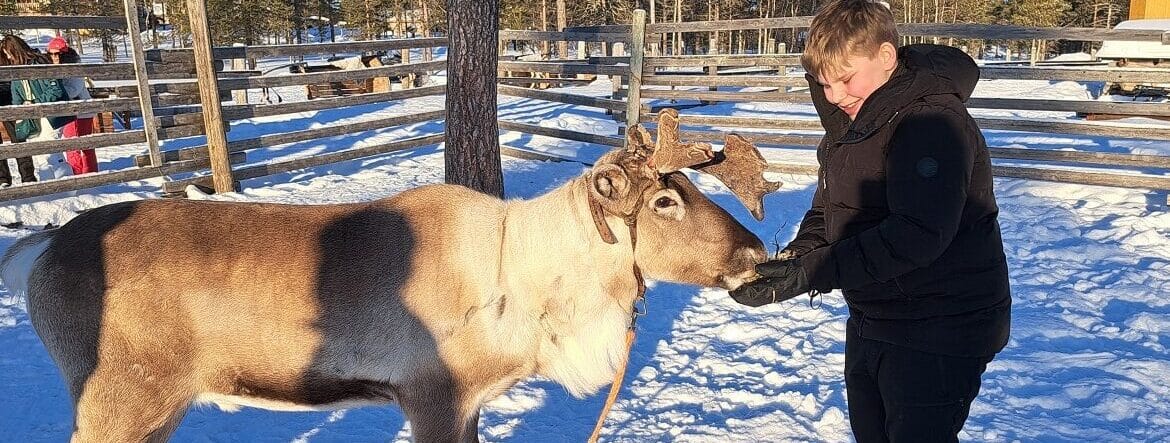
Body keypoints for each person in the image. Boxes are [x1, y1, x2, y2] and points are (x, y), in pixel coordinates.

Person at [729, 1, 1011, 442]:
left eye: (845, 79)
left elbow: (918, 233)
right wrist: (798, 258)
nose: (835, 96)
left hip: (940, 324)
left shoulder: (929, 122)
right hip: (876, 315)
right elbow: (829, 212)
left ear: (885, 58)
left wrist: (813, 272)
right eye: (824, 84)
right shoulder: (854, 122)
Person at [48, 37, 99, 174]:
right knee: (82, 144)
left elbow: (73, 90)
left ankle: (79, 174)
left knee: (75, 145)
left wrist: (54, 89)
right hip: (70, 111)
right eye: (51, 54)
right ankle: (89, 173)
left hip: (78, 111)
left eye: (57, 54)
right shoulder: (52, 69)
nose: (54, 57)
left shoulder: (74, 68)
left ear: (65, 54)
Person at [0, 37, 37, 187]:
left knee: (18, 138)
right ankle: (2, 178)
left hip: (9, 101)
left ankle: (28, 176)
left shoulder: (6, 55)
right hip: (8, 98)